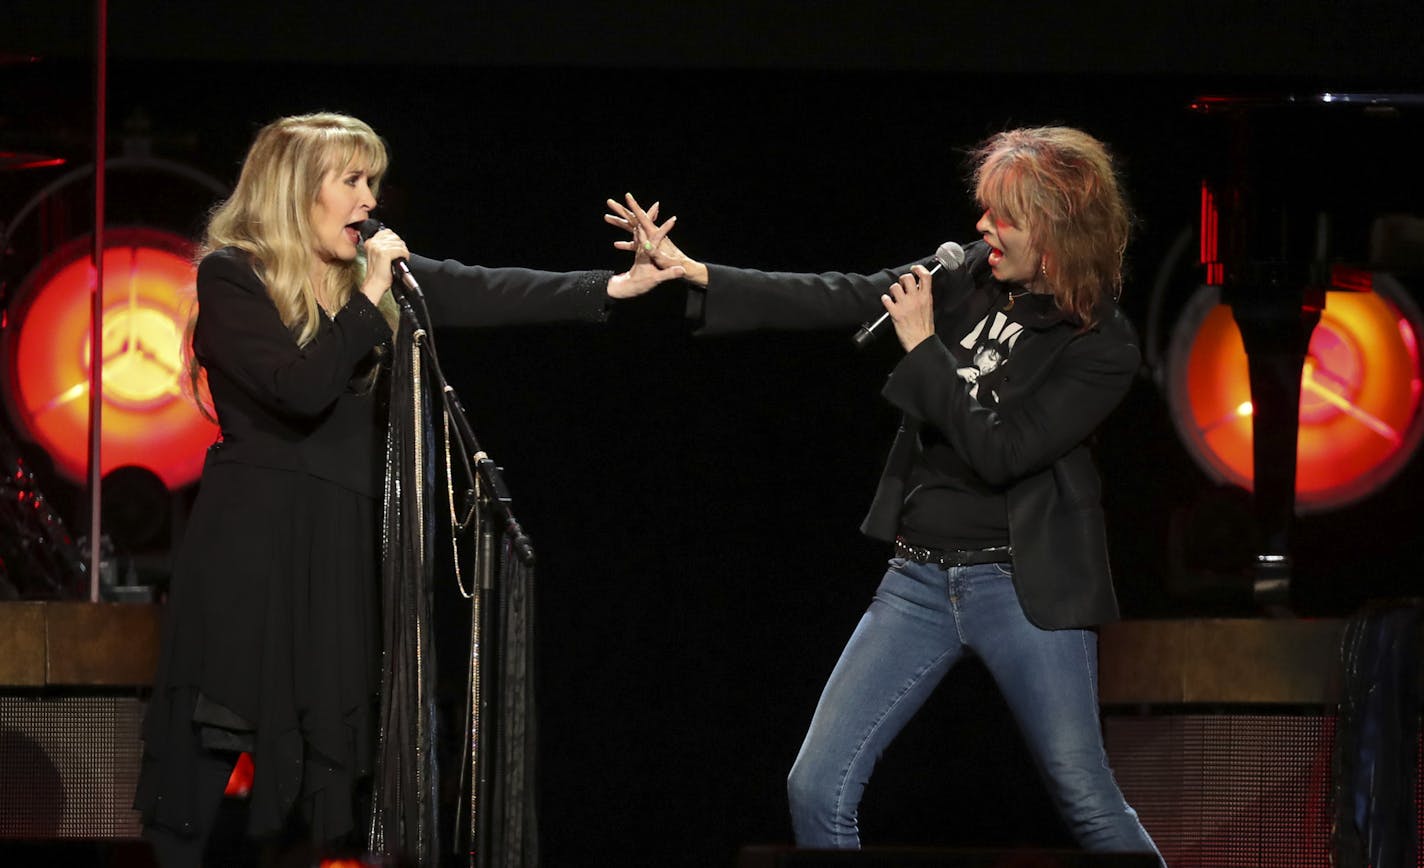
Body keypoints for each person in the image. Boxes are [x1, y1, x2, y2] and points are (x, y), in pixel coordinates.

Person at [134, 112, 682, 867]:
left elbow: (488, 289)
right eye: (352, 181)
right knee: (209, 756)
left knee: (345, 774)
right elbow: (299, 389)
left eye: (373, 182)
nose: (369, 199)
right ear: (297, 192)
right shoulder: (232, 276)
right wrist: (367, 298)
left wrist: (616, 286)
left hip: (346, 547)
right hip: (253, 554)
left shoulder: (376, 283)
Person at [609, 126, 1164, 863]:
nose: (982, 228)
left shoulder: (1101, 346)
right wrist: (697, 273)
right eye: (984, 209)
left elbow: (1003, 451)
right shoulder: (965, 273)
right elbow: (840, 295)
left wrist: (925, 349)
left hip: (1023, 586)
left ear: (1058, 232)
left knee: (1086, 799)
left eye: (1004, 216)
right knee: (816, 786)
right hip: (918, 579)